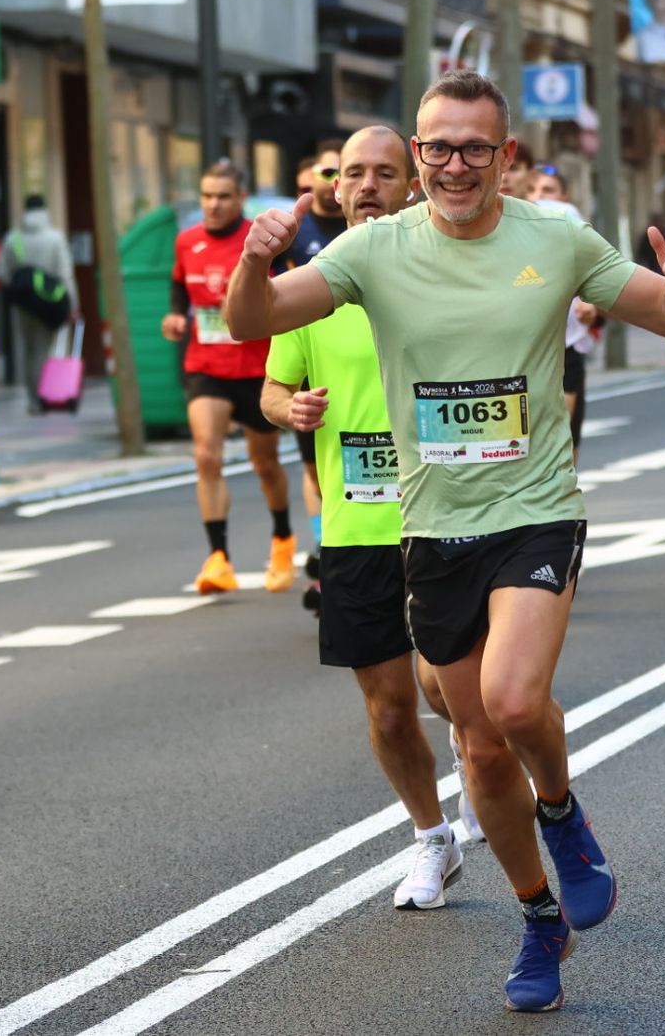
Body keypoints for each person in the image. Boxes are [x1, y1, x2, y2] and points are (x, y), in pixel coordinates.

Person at [225, 69, 665, 1014]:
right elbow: (252, 323)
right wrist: (255, 259)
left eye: (475, 148)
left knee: (511, 695)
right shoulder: (373, 249)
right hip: (431, 526)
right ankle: (539, 917)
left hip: (534, 507)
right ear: (418, 157)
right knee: (482, 750)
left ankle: (564, 814)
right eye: (438, 147)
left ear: (507, 158)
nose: (455, 164)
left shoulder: (556, 238)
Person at [261, 124, 479, 909]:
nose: (367, 185)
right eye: (352, 172)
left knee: (448, 688)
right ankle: (431, 839)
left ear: (412, 182)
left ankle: (474, 755)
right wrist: (295, 406)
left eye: (385, 172)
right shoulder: (309, 287)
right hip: (355, 526)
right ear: (334, 184)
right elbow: (272, 388)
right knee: (388, 706)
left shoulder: (447, 273)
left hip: (447, 516)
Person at [162, 160, 296, 595]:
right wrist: (174, 317)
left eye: (222, 196)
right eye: (206, 196)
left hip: (257, 369)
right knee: (206, 456)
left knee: (265, 464)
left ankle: (281, 539)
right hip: (206, 366)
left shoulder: (261, 240)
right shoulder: (186, 242)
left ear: (241, 199)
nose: (213, 204)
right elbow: (180, 287)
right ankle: (218, 558)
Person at [283, 143, 347, 609]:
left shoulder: (369, 225)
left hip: (363, 365)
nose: (334, 177)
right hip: (310, 362)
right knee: (316, 468)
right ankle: (327, 549)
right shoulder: (297, 230)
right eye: (327, 169)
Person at [527, 167, 599, 463]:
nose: (540, 197)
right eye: (535, 189)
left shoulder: (564, 216)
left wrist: (591, 303)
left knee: (563, 451)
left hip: (565, 347)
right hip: (514, 353)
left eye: (548, 190)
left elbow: (595, 273)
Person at [0, 192, 78, 408]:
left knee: (28, 349)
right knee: (44, 348)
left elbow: (0, 271)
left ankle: (33, 397)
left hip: (23, 304)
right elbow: (65, 273)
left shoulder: (13, 238)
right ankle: (44, 395)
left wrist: (21, 285)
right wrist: (73, 304)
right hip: (51, 302)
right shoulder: (55, 238)